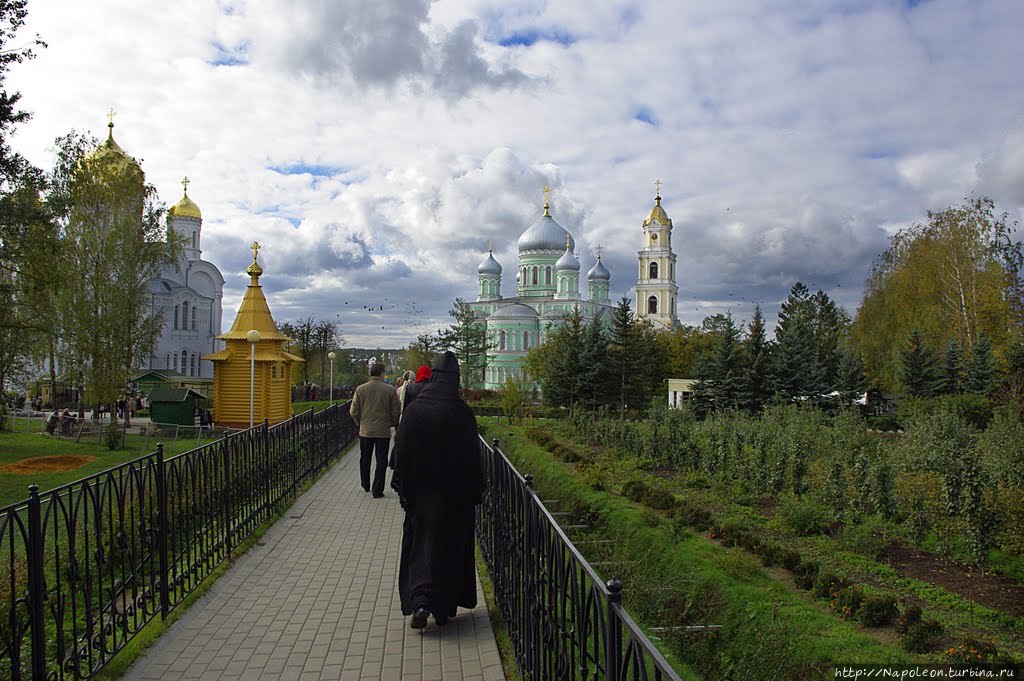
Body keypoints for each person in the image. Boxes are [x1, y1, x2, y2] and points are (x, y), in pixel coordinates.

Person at [392, 352, 483, 629]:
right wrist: (475, 492)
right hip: (454, 500)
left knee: (420, 546)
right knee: (449, 549)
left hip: (421, 497)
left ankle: (420, 600)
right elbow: (473, 458)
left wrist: (404, 489)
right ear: (454, 381)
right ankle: (442, 607)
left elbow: (401, 453)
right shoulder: (462, 413)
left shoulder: (415, 411)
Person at [349, 363, 401, 498]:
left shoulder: (360, 389)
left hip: (365, 430)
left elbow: (353, 411)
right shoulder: (390, 390)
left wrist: (361, 423)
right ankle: (377, 490)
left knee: (365, 458)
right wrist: (392, 423)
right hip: (383, 431)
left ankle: (365, 483)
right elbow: (396, 410)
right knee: (381, 460)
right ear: (382, 374)